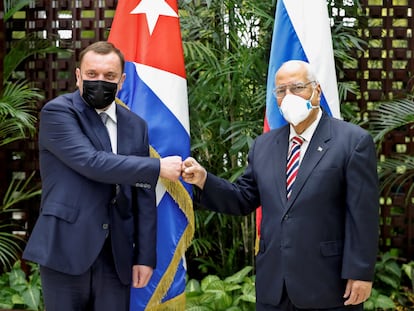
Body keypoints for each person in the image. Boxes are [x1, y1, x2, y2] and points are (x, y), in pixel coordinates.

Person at [182, 60, 379, 310]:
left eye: (297, 88)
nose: (289, 96)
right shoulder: (264, 145)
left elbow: (363, 215)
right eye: (281, 91)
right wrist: (203, 180)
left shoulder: (352, 142)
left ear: (316, 91)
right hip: (274, 286)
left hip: (328, 286)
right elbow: (243, 198)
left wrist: (360, 272)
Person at [23, 41, 182, 311]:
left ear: (121, 81)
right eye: (92, 75)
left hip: (116, 255)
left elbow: (142, 195)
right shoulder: (59, 113)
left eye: (109, 77)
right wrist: (157, 167)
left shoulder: (135, 125)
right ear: (78, 77)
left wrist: (144, 256)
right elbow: (91, 162)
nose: (100, 81)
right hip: (65, 248)